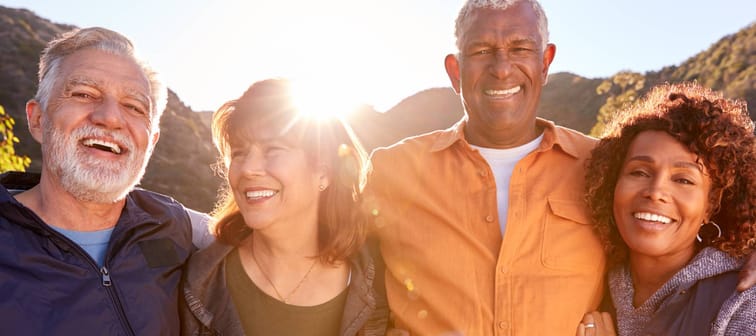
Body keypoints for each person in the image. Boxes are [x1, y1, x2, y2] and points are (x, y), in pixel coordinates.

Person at [361, 0, 756, 334]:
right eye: (482, 50)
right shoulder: (392, 170)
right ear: (455, 70)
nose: (502, 68)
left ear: (546, 62)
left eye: (520, 49)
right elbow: (325, 245)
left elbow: (697, 210)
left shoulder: (601, 166)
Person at [0, 27, 211, 334]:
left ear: (150, 142)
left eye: (134, 107)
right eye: (84, 94)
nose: (110, 118)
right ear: (38, 119)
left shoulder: (174, 226)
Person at [180, 78, 388, 335]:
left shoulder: (381, 277)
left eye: (273, 149)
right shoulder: (197, 283)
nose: (248, 169)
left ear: (324, 173)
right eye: (239, 153)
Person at [578, 83, 756, 336]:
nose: (656, 191)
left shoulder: (741, 302)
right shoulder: (589, 279)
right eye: (639, 172)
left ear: (712, 205)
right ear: (611, 185)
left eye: (683, 179)